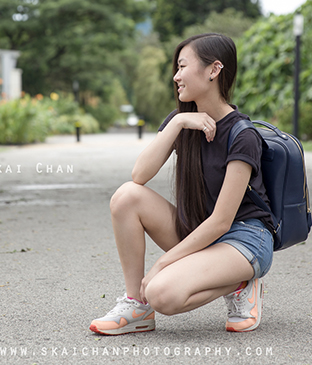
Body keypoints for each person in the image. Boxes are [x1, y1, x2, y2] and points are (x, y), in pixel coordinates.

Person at [89, 33, 275, 335]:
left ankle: (241, 282)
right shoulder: (183, 122)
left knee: (163, 293)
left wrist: (162, 264)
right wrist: (177, 122)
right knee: (126, 196)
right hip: (200, 230)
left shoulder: (243, 135)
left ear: (214, 70)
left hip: (243, 239)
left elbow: (221, 222)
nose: (176, 77)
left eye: (182, 66)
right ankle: (136, 304)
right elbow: (139, 175)